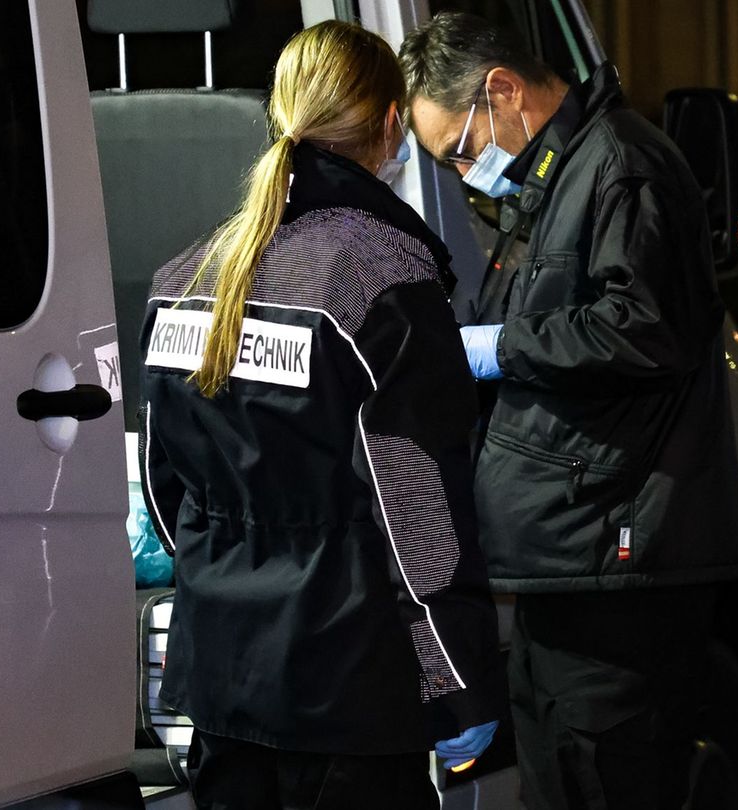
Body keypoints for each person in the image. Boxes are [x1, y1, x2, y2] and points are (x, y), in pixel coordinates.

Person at [138, 21, 505, 810]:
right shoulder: (382, 278)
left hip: (224, 689)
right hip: (349, 694)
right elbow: (419, 521)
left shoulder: (188, 273)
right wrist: (457, 684)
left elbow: (167, 491)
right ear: (389, 127)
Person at [401, 13, 738, 809]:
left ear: (503, 91)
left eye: (460, 148)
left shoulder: (620, 168)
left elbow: (642, 329)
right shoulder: (556, 180)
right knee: (560, 778)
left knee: (611, 778)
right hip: (570, 556)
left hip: (618, 558)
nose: (465, 172)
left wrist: (494, 348)